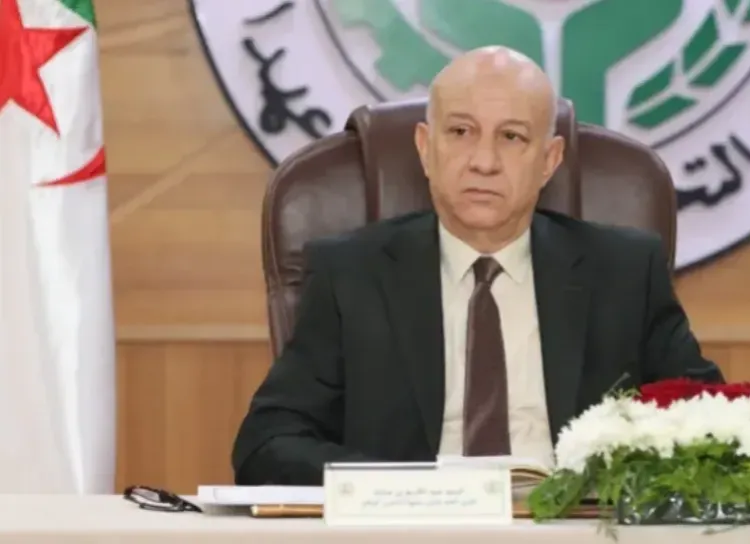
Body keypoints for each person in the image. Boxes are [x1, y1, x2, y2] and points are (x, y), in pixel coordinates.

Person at [232, 46, 724, 486]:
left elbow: (712, 425)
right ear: (425, 148)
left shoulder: (624, 272)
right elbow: (267, 442)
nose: (483, 161)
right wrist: (399, 489)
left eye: (511, 137)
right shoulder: (351, 274)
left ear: (549, 160)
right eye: (461, 132)